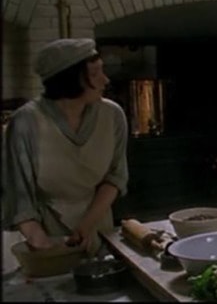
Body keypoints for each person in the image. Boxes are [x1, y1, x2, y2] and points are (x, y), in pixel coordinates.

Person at [1, 38, 129, 257]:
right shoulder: (26, 122)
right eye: (95, 74)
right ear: (71, 79)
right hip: (47, 233)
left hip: (99, 225)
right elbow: (19, 197)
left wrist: (87, 225)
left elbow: (115, 177)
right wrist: (45, 247)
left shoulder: (112, 115)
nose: (105, 80)